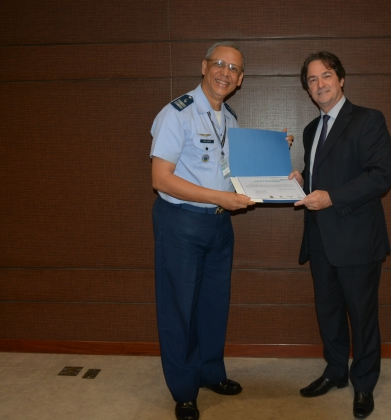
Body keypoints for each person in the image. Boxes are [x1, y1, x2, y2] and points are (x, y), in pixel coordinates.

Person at [151, 41, 292, 420]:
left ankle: (210, 372)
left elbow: (237, 174)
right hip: (180, 222)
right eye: (219, 64)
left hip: (218, 224)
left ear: (240, 79)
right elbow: (161, 179)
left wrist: (276, 151)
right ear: (204, 66)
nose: (225, 73)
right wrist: (220, 197)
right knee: (179, 308)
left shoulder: (230, 119)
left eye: (234, 69)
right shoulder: (177, 113)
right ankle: (184, 389)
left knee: (214, 305)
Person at [289, 51, 391, 419]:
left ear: (341, 79)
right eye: (312, 79)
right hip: (319, 239)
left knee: (362, 316)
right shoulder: (310, 130)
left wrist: (331, 197)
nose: (320, 84)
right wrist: (302, 179)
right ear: (307, 89)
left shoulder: (368, 120)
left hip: (357, 239)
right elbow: (320, 174)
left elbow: (380, 176)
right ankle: (335, 371)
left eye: (326, 75)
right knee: (329, 312)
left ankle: (363, 383)